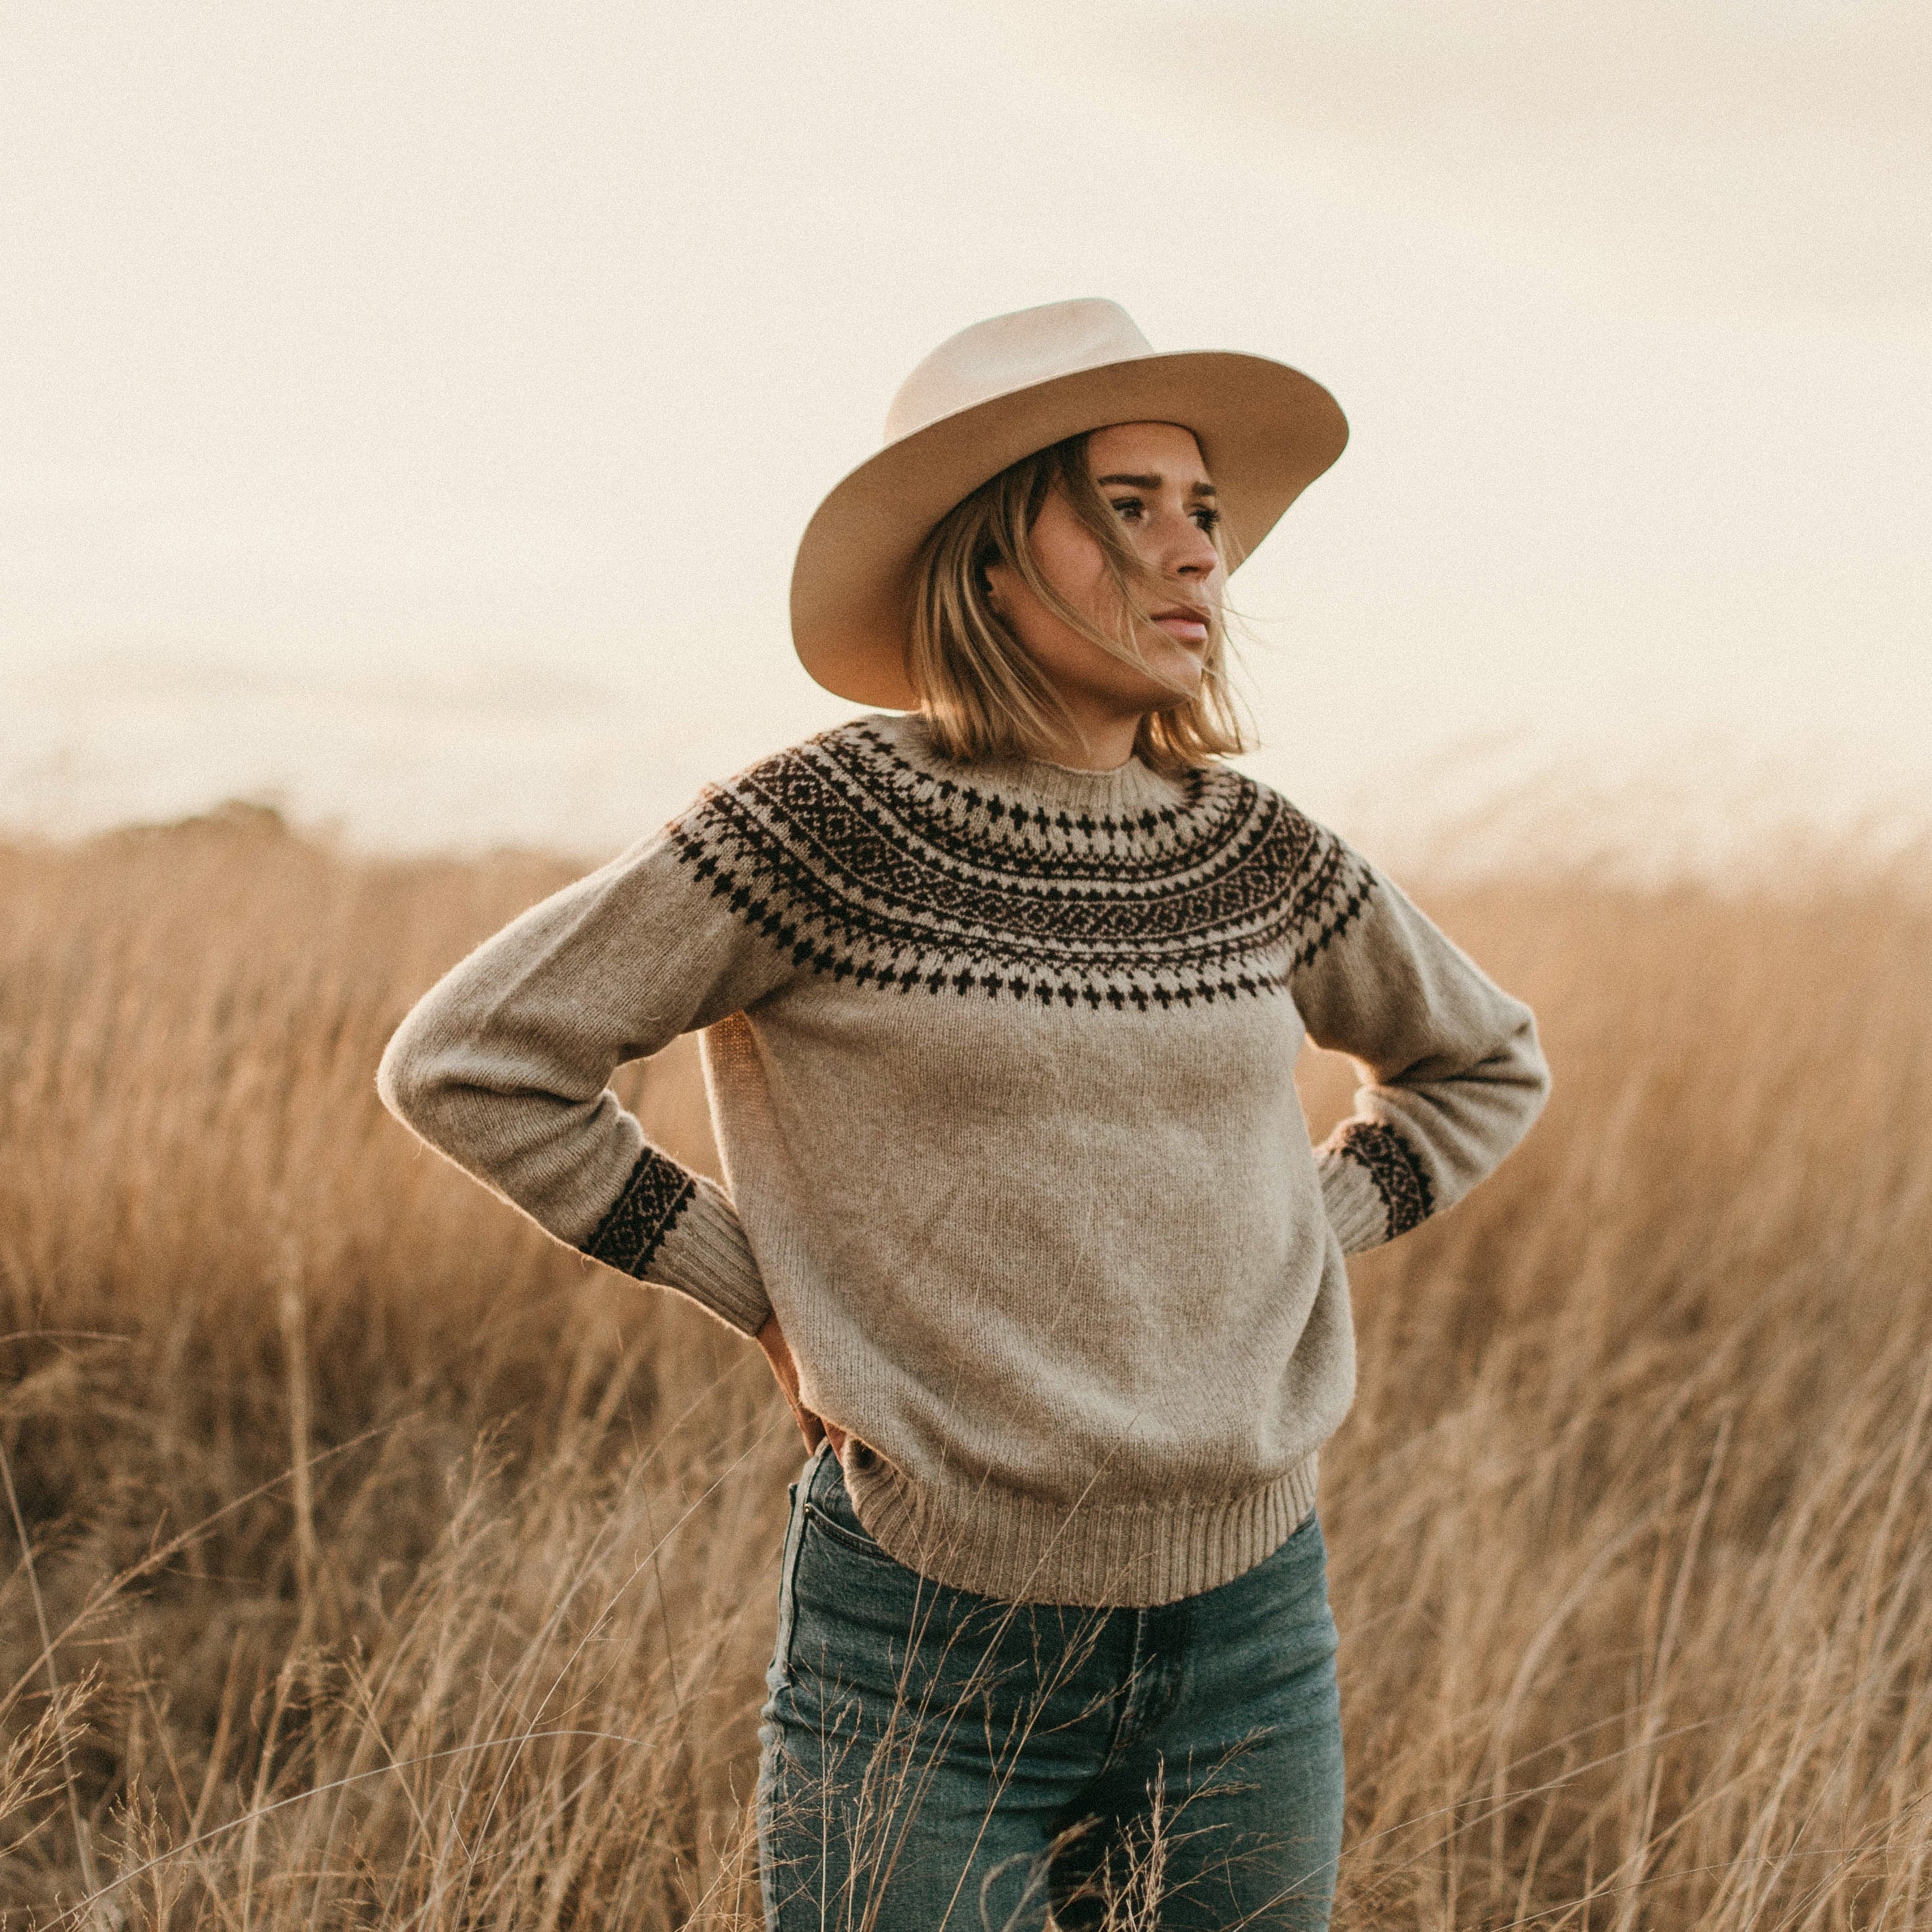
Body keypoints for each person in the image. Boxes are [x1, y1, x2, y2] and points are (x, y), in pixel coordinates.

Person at [376, 298, 1550, 1930]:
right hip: (922, 1642)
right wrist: (755, 1289)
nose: (1191, 552)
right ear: (987, 553)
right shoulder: (823, 823)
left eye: (1202, 509)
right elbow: (475, 1057)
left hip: (1249, 1633)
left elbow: (1485, 1061)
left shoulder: (1252, 845)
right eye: (1125, 505)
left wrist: (1301, 1227)